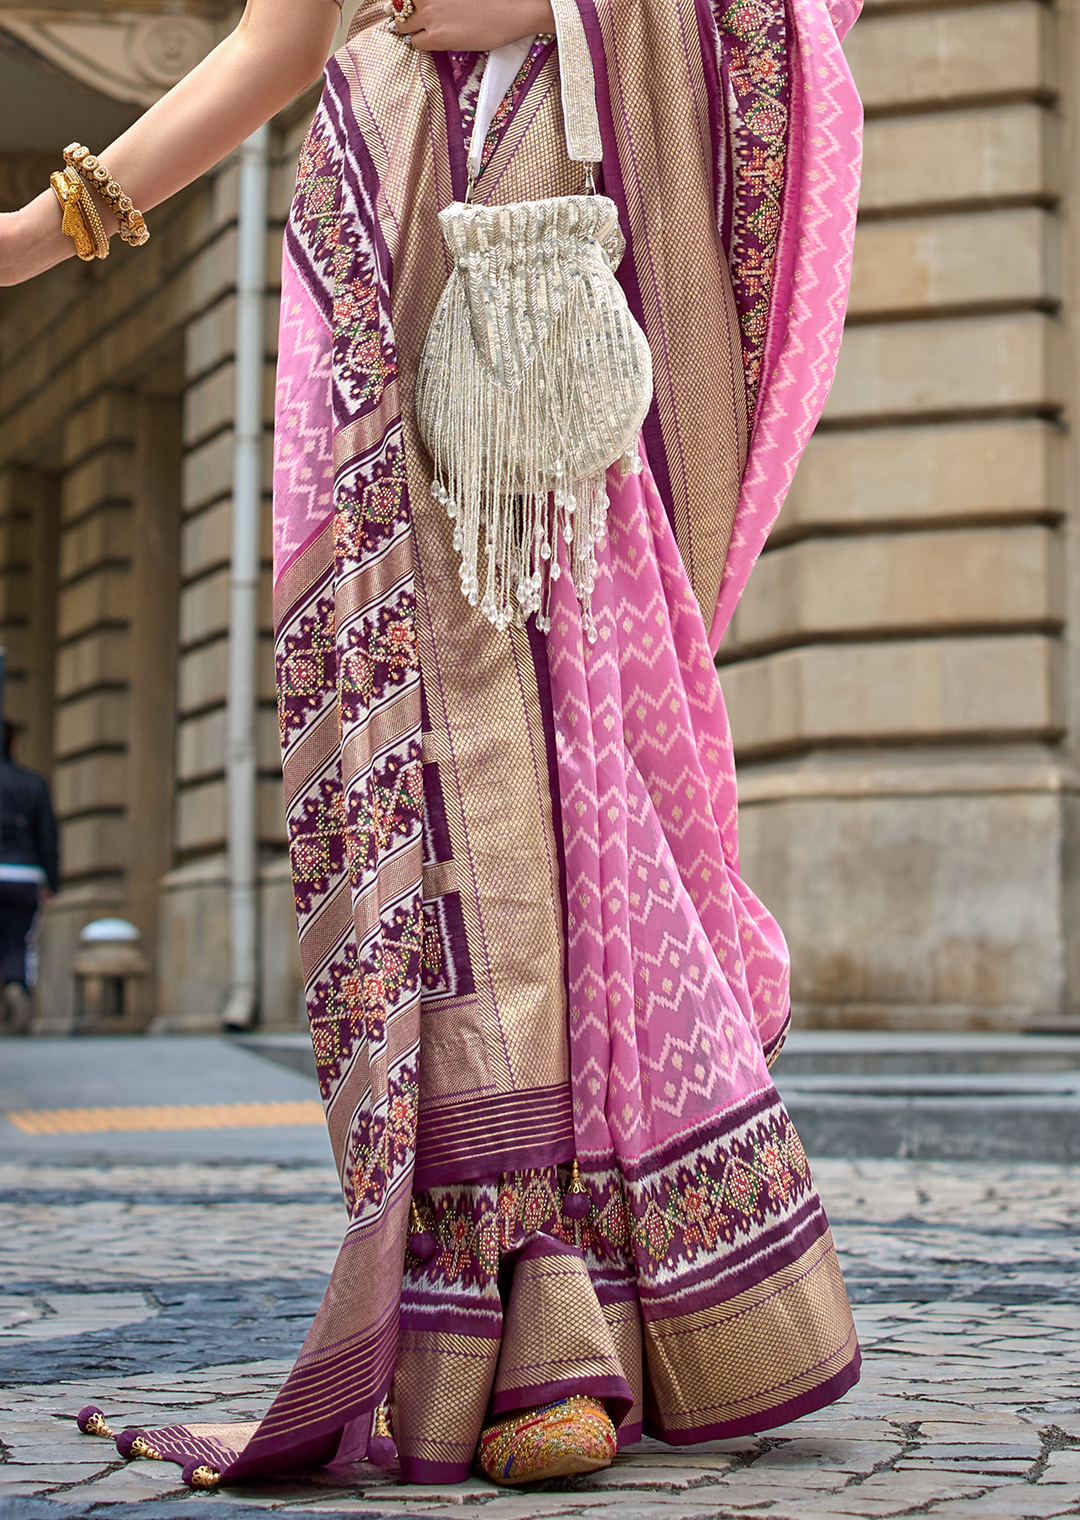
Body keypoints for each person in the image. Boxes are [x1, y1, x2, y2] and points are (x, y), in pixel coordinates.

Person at [1, 0, 865, 1491]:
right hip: (397, 331)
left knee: (584, 811)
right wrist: (33, 230)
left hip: (550, 377)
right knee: (449, 830)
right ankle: (507, 1307)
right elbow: (277, 41)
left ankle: (586, 1313)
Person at [0, 721, 58, 1035]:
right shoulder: (33, 784)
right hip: (23, 874)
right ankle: (14, 985)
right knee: (16, 941)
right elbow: (47, 837)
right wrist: (52, 881)